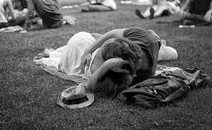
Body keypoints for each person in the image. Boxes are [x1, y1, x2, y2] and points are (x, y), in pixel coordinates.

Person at [36, 27, 177, 98]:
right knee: (79, 49)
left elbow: (113, 36)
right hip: (82, 44)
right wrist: (90, 53)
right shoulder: (103, 69)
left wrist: (106, 65)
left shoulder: (147, 42)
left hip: (142, 41)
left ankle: (160, 42)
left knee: (172, 53)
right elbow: (90, 84)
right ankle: (63, 50)